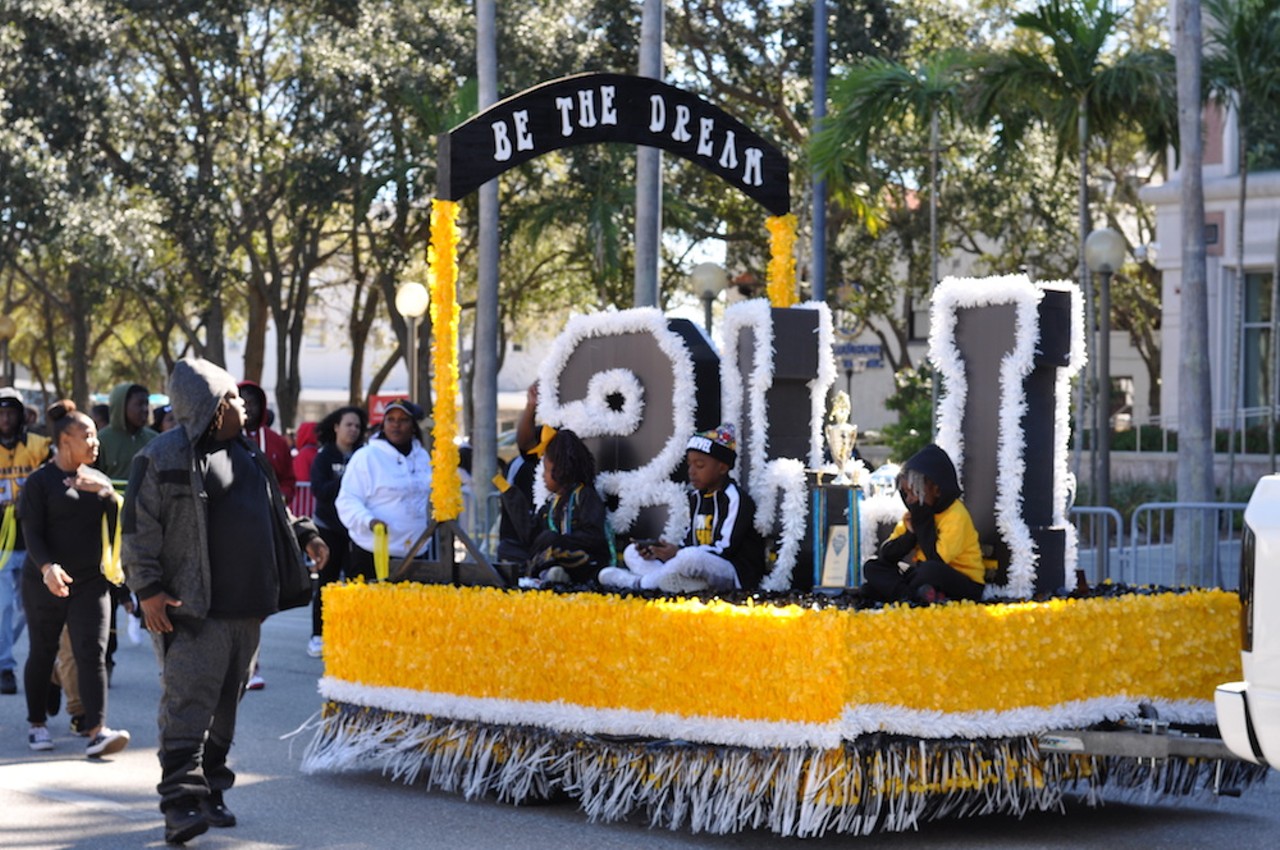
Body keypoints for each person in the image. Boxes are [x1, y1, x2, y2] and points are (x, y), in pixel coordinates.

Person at [123, 358, 327, 845]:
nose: (244, 405)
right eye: (233, 398)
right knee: (187, 705)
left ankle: (212, 788)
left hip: (247, 607)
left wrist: (304, 534)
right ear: (211, 407)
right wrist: (147, 590)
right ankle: (179, 804)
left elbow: (273, 512)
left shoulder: (250, 454)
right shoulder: (161, 457)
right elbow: (136, 531)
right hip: (190, 609)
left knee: (225, 709)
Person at [19, 400, 129, 757]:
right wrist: (47, 568)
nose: (95, 442)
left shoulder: (96, 481)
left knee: (91, 653)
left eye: (95, 436)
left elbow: (116, 530)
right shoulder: (39, 483)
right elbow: (32, 534)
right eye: (88, 436)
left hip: (90, 583)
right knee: (43, 650)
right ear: (65, 440)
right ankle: (37, 723)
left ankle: (96, 730)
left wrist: (107, 494)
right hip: (45, 581)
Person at [599, 424, 765, 594]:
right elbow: (689, 541)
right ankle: (682, 583)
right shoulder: (696, 497)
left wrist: (677, 553)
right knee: (631, 552)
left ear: (723, 468)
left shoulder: (735, 498)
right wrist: (659, 552)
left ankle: (639, 584)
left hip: (733, 573)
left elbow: (724, 548)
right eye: (689, 465)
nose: (692, 472)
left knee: (690, 557)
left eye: (699, 465)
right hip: (697, 564)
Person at [860, 443, 988, 605]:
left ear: (936, 490)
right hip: (922, 575)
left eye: (916, 491)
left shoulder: (956, 514)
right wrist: (910, 534)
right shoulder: (915, 513)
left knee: (928, 571)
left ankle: (905, 594)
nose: (910, 499)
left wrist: (922, 522)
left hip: (963, 581)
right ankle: (910, 596)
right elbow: (886, 555)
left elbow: (937, 559)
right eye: (906, 493)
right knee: (872, 567)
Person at [495, 429, 610, 584]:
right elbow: (531, 536)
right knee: (506, 547)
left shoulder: (584, 495)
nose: (543, 476)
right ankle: (548, 573)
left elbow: (594, 538)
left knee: (550, 541)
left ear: (562, 469)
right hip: (549, 556)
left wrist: (558, 540)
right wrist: (511, 495)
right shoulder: (552, 503)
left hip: (581, 558)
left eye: (547, 470)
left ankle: (547, 573)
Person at [336, 399, 432, 580]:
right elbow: (347, 499)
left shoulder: (423, 456)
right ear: (383, 424)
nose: (396, 425)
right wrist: (369, 521)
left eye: (403, 420)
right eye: (390, 420)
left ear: (413, 426)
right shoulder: (366, 456)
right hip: (372, 551)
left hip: (416, 552)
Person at [0, 387, 52, 695]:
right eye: (1, 413)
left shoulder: (38, 445)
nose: (5, 419)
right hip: (2, 543)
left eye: (11, 413)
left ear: (21, 416)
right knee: (5, 604)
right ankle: (5, 666)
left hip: (33, 538)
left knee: (23, 608)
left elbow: (53, 478)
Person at [306, 405, 366, 657]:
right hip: (328, 528)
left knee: (355, 584)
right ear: (336, 427)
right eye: (348, 424)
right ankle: (318, 635)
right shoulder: (324, 456)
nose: (353, 430)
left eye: (357, 426)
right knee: (326, 583)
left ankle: (351, 634)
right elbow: (319, 490)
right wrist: (346, 480)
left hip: (355, 530)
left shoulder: (364, 456)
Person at [236, 381, 296, 503]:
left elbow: (288, 479)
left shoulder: (278, 442)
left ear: (262, 406)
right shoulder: (226, 438)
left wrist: (282, 497)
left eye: (252, 403)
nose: (247, 408)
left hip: (269, 513)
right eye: (242, 403)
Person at [96, 383, 159, 481]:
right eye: (139, 404)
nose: (145, 409)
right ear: (121, 406)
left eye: (146, 404)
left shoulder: (155, 439)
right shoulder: (101, 440)